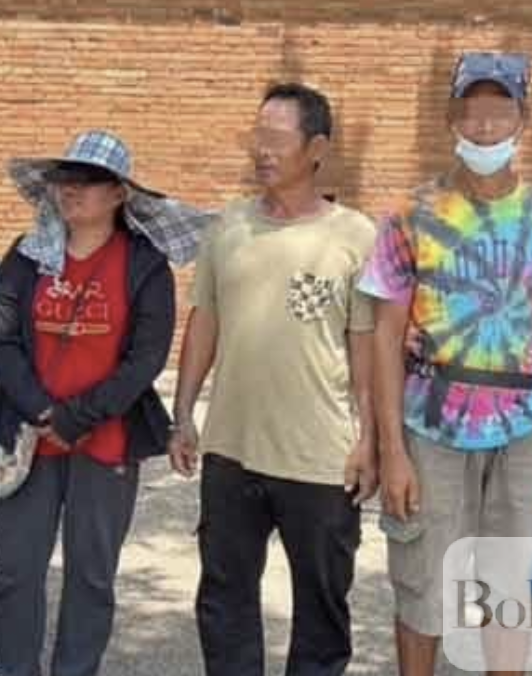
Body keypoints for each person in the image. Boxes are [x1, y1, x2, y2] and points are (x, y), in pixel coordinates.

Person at [360, 53, 532, 676]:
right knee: (423, 590)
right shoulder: (411, 215)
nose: (485, 126)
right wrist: (392, 451)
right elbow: (385, 335)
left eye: (500, 110)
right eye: (472, 110)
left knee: (510, 594)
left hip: (523, 431)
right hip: (431, 428)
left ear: (523, 118)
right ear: (450, 118)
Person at [168, 82, 379, 676]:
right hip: (232, 450)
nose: (261, 149)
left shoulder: (355, 236)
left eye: (276, 138)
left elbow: (366, 346)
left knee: (322, 607)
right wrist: (184, 414)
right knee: (224, 601)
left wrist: (370, 440)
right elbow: (205, 321)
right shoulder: (228, 226)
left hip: (320, 459)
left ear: (317, 149)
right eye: (256, 135)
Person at [0, 130, 213, 676]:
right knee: (14, 571)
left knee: (91, 576)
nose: (72, 189)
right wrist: (43, 410)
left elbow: (146, 357)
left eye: (89, 180)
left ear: (119, 194)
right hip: (30, 439)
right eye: (65, 177)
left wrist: (77, 416)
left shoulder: (144, 263)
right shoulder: (27, 253)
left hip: (105, 441)